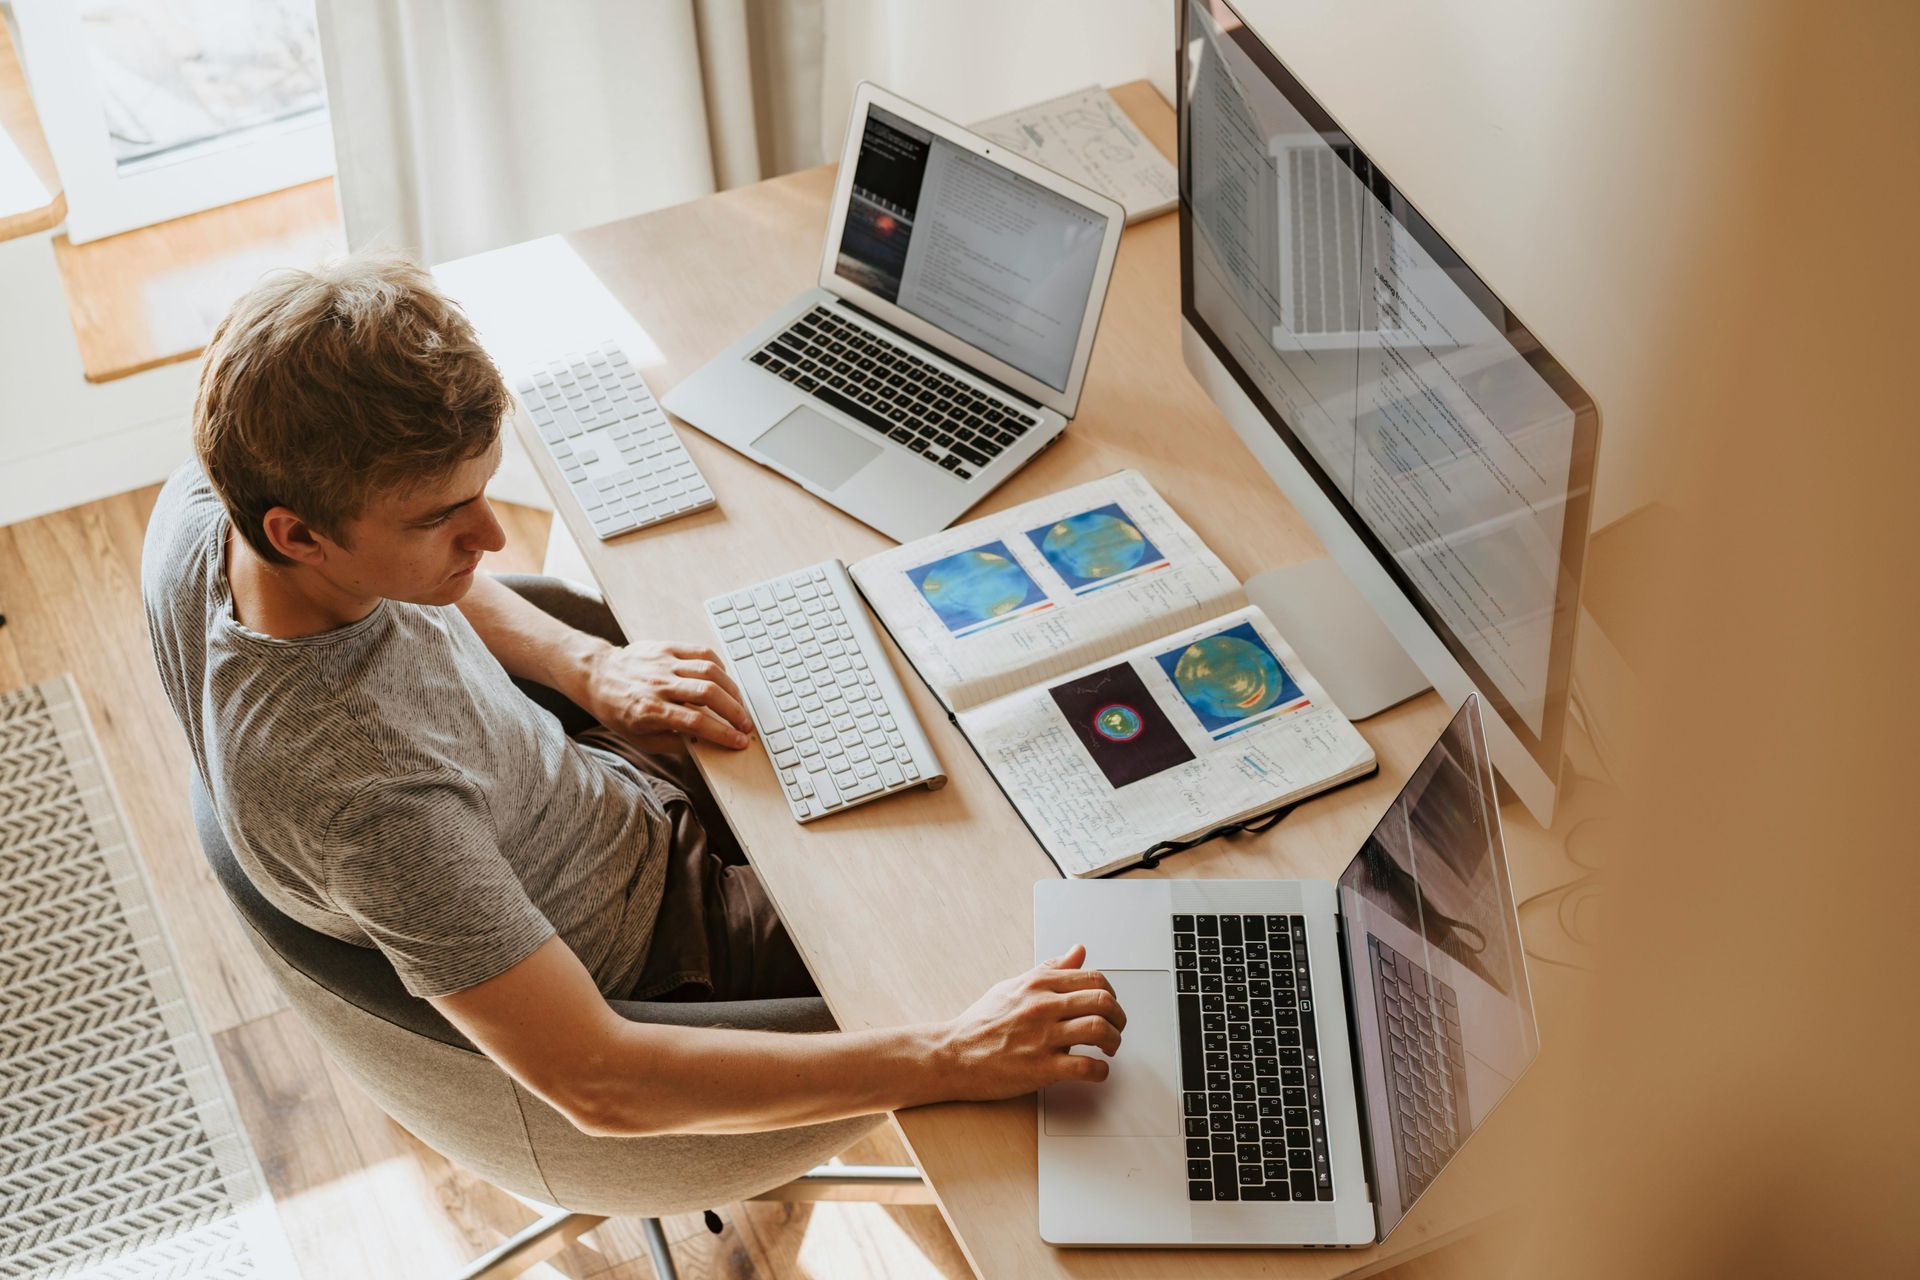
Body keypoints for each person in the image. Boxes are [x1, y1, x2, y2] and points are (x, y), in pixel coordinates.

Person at [142, 251, 1123, 1137]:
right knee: (1028, 918)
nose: (489, 538)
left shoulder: (219, 497)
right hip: (666, 946)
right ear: (299, 533)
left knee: (929, 705)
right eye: (443, 517)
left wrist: (586, 666)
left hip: (594, 790)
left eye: (485, 490)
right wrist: (946, 1057)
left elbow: (430, 578)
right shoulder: (367, 800)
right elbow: (601, 1081)